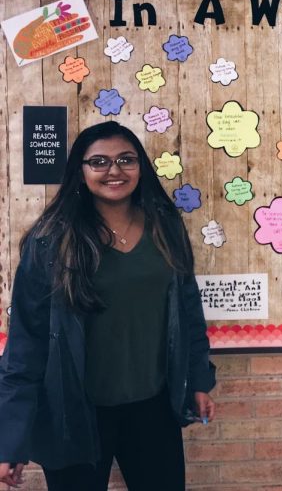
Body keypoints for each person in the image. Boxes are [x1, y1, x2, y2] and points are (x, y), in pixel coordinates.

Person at [0, 121, 216, 490]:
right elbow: (27, 344)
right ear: (80, 172)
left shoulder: (165, 228)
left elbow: (188, 312)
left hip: (152, 408)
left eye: (125, 160)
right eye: (98, 161)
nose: (114, 170)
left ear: (140, 167)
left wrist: (198, 380)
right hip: (73, 412)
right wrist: (10, 439)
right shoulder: (51, 241)